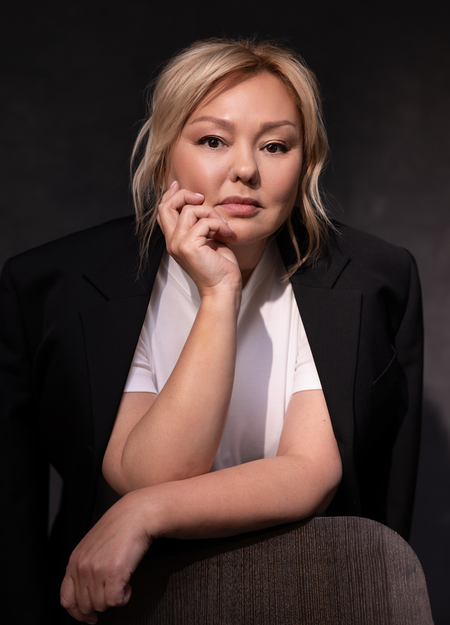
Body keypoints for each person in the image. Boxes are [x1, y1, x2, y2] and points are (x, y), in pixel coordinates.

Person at [0, 38, 423, 625]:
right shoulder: (56, 285)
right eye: (213, 141)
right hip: (121, 602)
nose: (246, 169)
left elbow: (312, 472)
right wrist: (219, 294)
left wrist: (144, 513)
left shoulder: (374, 278)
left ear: (306, 163)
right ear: (163, 157)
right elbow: (149, 474)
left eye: (275, 145)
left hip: (315, 592)